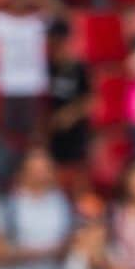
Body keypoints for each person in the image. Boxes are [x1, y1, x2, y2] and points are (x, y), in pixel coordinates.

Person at [0, 0, 64, 140]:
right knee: (7, 132)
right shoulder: (0, 22)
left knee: (35, 132)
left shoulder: (37, 21)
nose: (20, 1)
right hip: (7, 83)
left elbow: (60, 13)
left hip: (33, 83)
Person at [45, 19, 94, 170]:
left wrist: (70, 115)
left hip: (76, 132)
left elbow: (91, 99)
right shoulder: (48, 68)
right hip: (54, 133)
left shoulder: (79, 68)